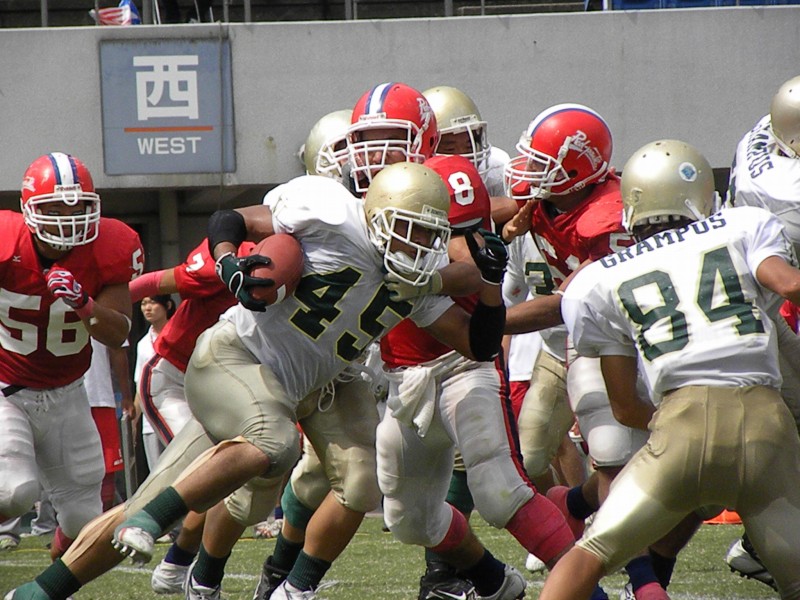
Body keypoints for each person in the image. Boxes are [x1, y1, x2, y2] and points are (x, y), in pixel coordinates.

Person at [4, 160, 507, 600]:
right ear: (376, 215)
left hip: (306, 388)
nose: (415, 245)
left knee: (359, 479)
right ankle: (153, 521)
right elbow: (232, 218)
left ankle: (40, 591)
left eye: (427, 235)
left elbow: (478, 344)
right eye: (406, 229)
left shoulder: (418, 280)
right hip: (237, 359)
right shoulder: (332, 214)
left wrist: (490, 287)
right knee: (273, 443)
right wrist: (229, 260)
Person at [539, 138, 800, 600]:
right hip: (768, 430)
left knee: (591, 552)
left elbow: (624, 407)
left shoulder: (600, 279)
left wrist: (674, 428)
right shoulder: (743, 226)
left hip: (680, 426)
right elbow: (789, 284)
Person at [376, 154, 571, 600]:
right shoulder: (360, 216)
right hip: (403, 380)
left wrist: (442, 279)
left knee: (501, 490)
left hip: (464, 366)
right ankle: (493, 580)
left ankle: (587, 587)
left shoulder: (453, 197)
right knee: (410, 520)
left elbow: (468, 264)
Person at [502, 104, 669, 600]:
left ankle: (638, 574)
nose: (529, 172)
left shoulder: (608, 215)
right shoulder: (546, 199)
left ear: (577, 168)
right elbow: (500, 211)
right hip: (569, 345)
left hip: (616, 341)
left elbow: (568, 301)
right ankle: (576, 513)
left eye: (542, 163)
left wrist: (486, 326)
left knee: (625, 459)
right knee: (542, 454)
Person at [0, 152, 142, 564]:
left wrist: (85, 304)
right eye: (54, 209)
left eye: (77, 208)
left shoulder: (112, 245)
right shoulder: (6, 239)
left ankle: (47, 585)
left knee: (84, 521)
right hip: (8, 386)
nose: (67, 219)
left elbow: (118, 332)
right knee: (15, 491)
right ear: (29, 208)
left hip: (68, 392)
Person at [128, 238, 254, 595]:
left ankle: (178, 563)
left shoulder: (298, 265)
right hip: (172, 377)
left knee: (228, 475)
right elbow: (156, 282)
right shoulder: (232, 255)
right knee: (210, 471)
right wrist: (104, 300)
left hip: (219, 381)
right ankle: (143, 524)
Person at [722, 73, 800, 591]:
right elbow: (789, 282)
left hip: (753, 303)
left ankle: (757, 547)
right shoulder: (789, 193)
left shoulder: (763, 131)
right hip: (751, 313)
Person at [133, 294, 176, 471]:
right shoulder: (143, 344)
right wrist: (134, 421)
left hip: (178, 412)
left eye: (152, 302)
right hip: (151, 421)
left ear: (167, 305)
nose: (147, 308)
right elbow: (140, 384)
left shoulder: (179, 334)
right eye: (143, 303)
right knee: (158, 472)